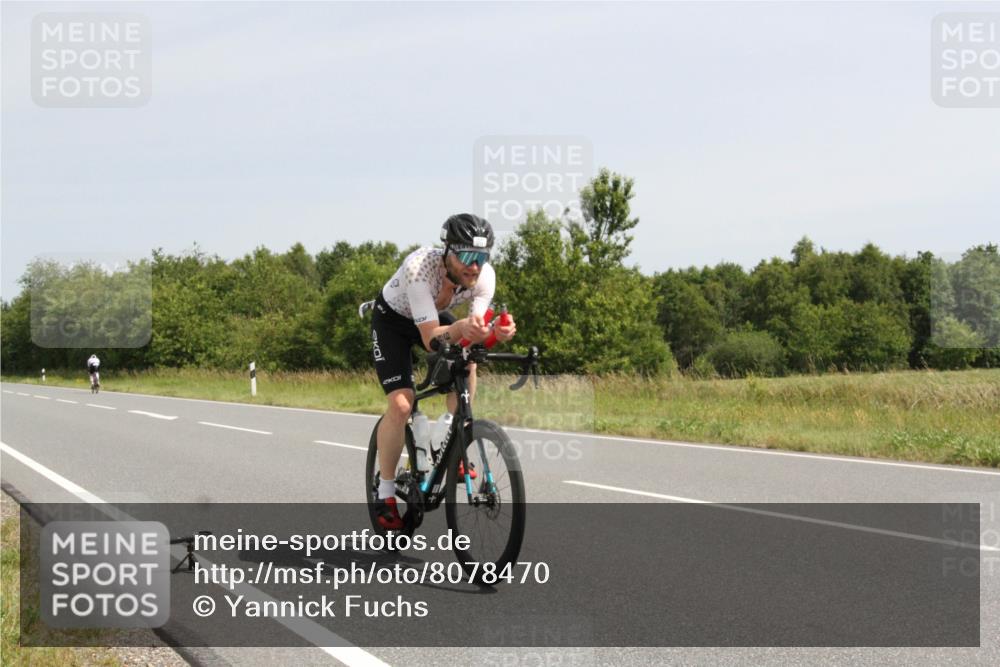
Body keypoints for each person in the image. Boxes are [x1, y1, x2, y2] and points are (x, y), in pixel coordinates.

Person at [369, 214, 516, 529]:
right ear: (447, 252)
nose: (474, 266)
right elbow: (430, 340)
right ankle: (385, 492)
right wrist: (463, 326)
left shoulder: (484, 277)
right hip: (394, 321)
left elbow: (473, 333)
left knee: (469, 358)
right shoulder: (420, 269)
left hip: (433, 317)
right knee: (401, 404)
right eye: (466, 256)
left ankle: (452, 438)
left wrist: (493, 333)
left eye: (481, 257)